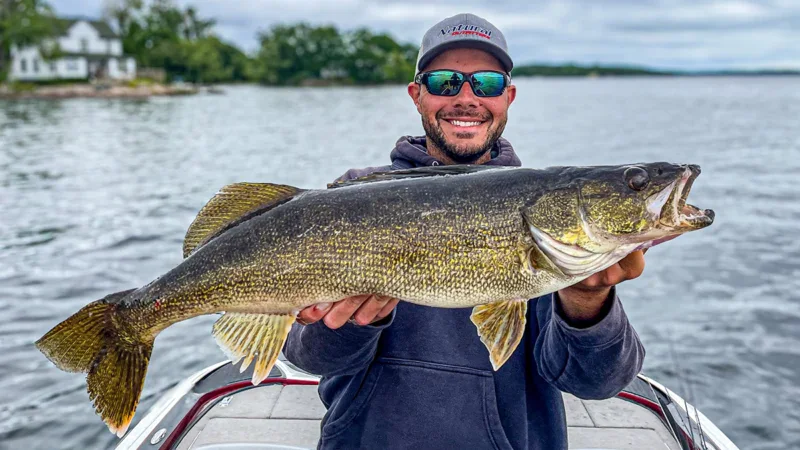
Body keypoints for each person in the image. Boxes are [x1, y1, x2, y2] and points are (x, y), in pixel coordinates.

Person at [285, 13, 646, 450]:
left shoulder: (549, 215)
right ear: (417, 95)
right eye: (445, 82)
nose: (467, 98)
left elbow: (595, 383)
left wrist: (588, 301)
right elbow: (309, 357)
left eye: (487, 84)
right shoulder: (352, 198)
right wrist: (359, 323)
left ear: (508, 97)